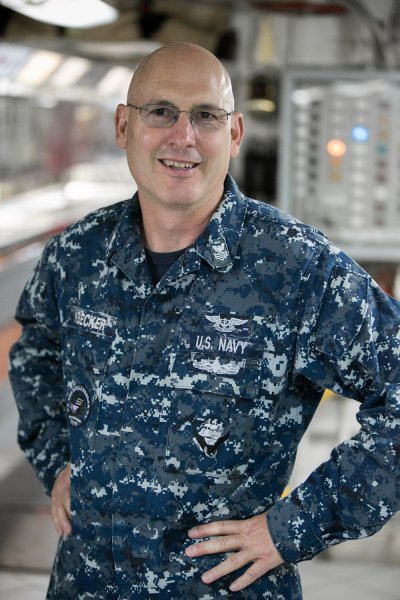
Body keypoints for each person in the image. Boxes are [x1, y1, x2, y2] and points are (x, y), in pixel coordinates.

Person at [9, 42, 400, 599]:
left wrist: (292, 529)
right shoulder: (76, 255)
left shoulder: (297, 268)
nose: (182, 136)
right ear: (124, 125)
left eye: (206, 116)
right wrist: (57, 460)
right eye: (161, 111)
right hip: (87, 583)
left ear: (234, 134)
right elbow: (35, 354)